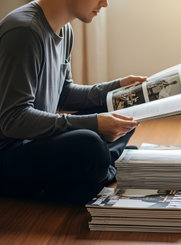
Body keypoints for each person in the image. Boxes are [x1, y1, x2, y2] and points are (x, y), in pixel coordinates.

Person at [0, 0, 147, 205]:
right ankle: (105, 165)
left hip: (36, 138)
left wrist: (117, 87)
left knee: (124, 105)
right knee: (90, 145)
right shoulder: (24, 31)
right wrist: (95, 123)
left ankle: (99, 169)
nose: (104, 3)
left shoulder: (65, 30)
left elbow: (64, 93)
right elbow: (13, 119)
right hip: (9, 154)